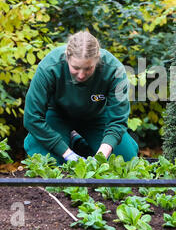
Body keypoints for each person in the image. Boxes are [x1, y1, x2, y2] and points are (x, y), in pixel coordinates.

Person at [23, 30, 138, 164]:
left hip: (96, 117)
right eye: (76, 68)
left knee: (124, 160)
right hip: (57, 116)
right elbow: (32, 118)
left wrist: (100, 157)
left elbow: (117, 120)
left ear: (97, 58)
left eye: (88, 68)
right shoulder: (49, 66)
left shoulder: (114, 69)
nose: (81, 75)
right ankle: (69, 142)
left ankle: (79, 142)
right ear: (67, 56)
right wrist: (67, 153)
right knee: (48, 162)